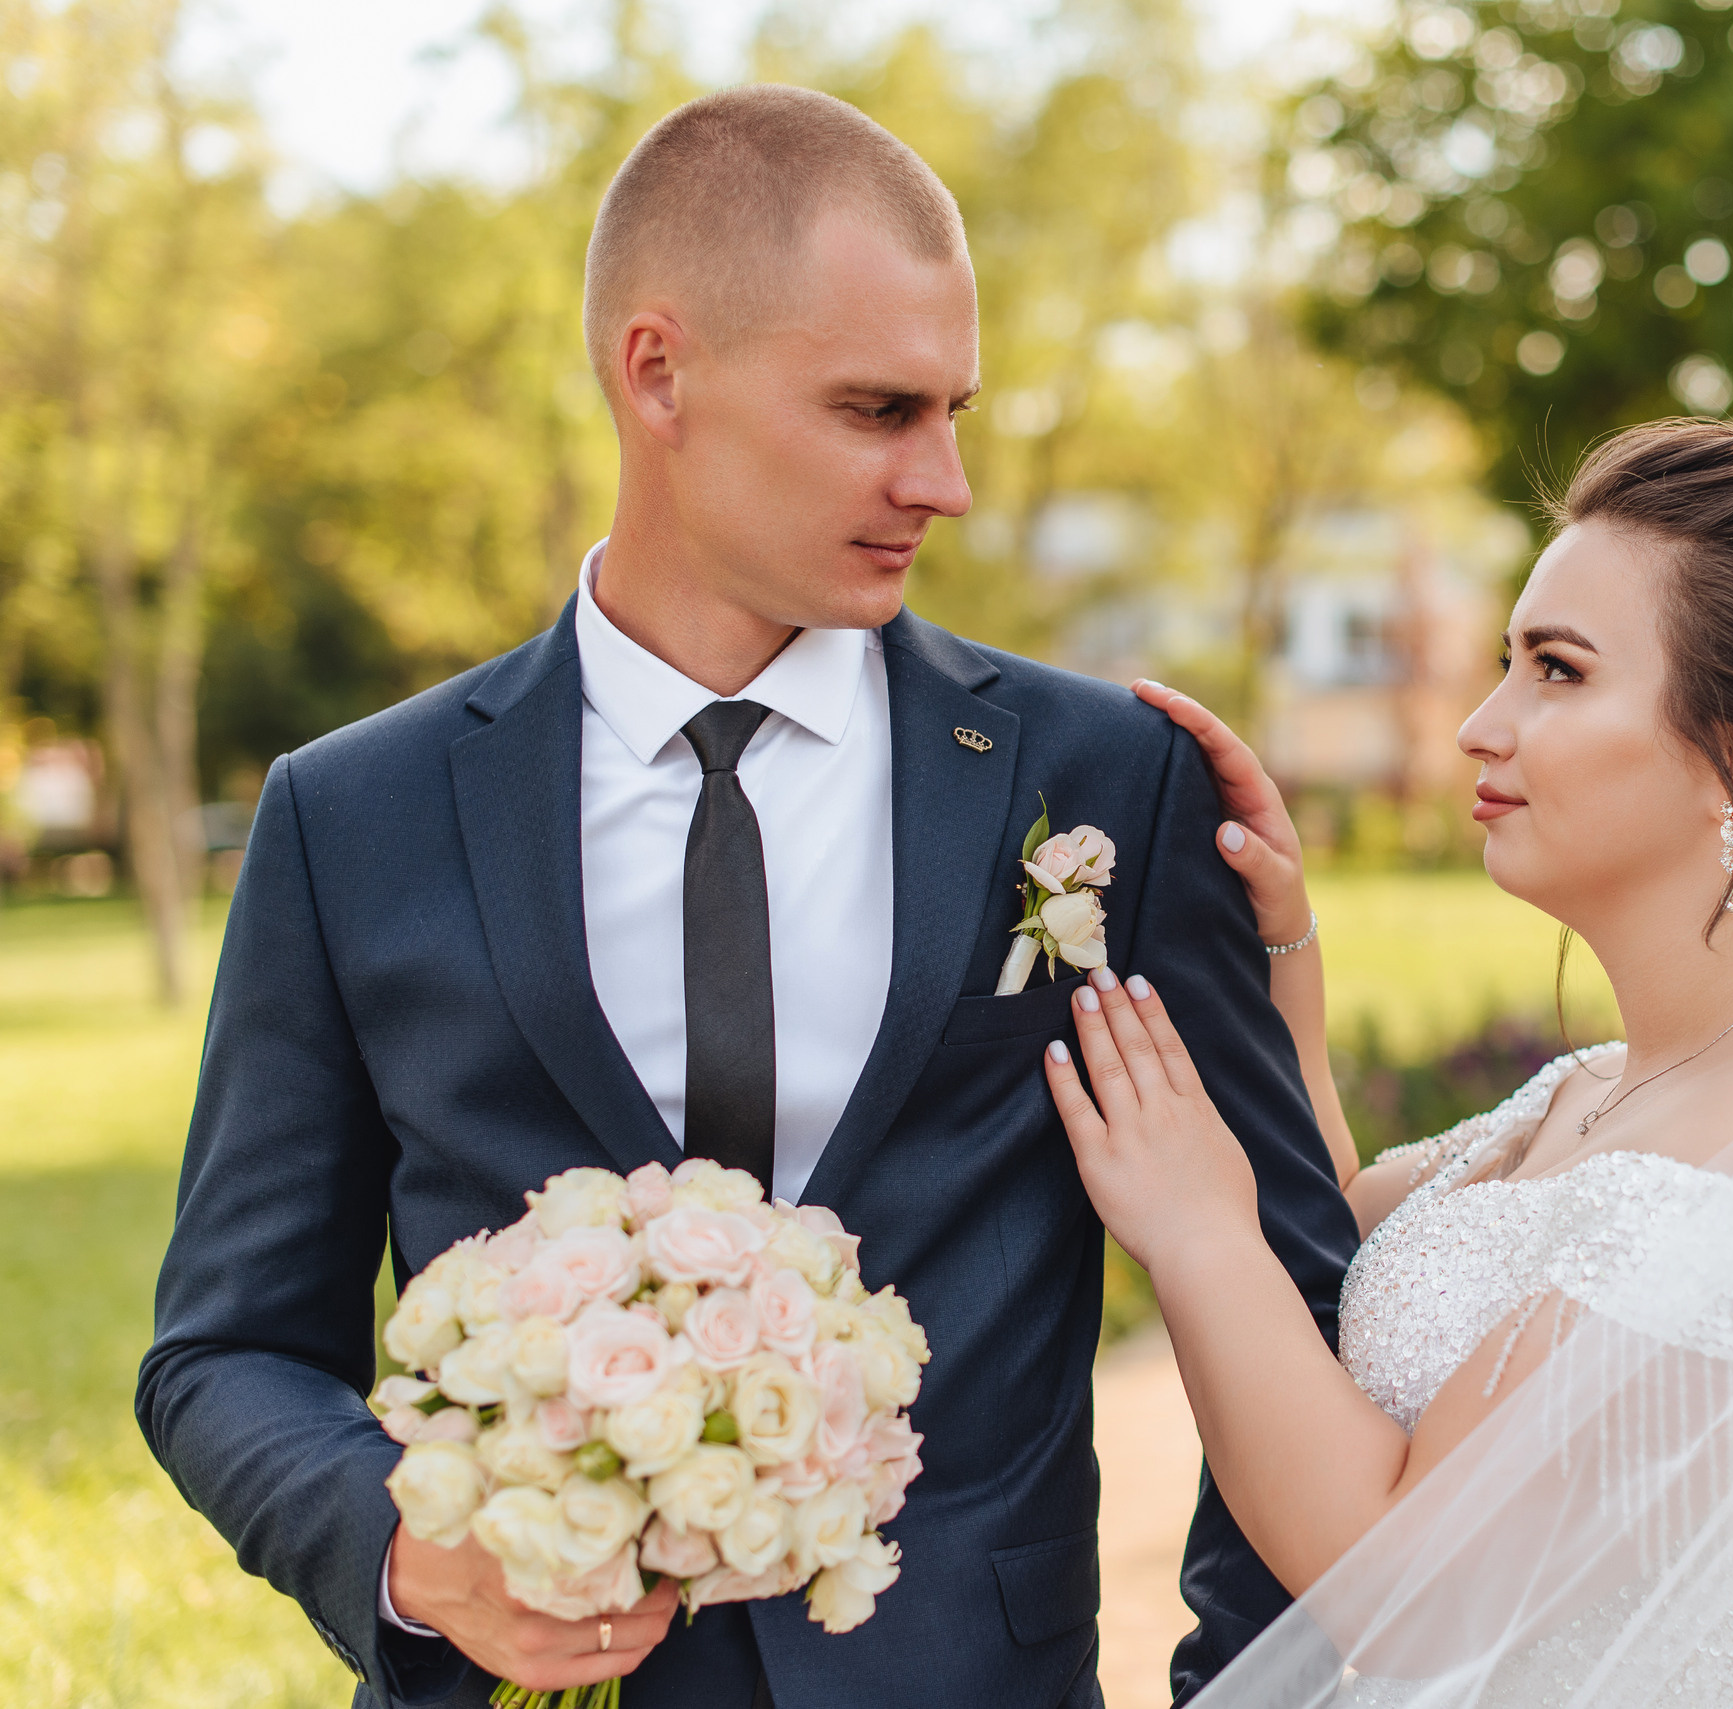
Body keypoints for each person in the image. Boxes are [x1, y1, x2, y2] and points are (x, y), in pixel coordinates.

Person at [134, 86, 1358, 1709]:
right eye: (876, 409)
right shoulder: (351, 815)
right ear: (659, 372)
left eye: (955, 409)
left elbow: (1291, 1290)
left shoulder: (1102, 782)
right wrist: (405, 1550)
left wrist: (1230, 1684)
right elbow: (225, 1346)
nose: (948, 480)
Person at [1047, 420, 1733, 1706]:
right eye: (1509, 663)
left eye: (1556, 671)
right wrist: (1285, 956)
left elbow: (1407, 1592)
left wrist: (1193, 1230)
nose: (1477, 726)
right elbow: (1336, 1269)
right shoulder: (1596, 1085)